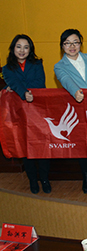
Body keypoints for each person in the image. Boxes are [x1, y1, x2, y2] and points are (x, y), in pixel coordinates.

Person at [54, 29, 87, 197]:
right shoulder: (59, 66)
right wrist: (76, 92)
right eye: (67, 43)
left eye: (75, 42)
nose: (72, 46)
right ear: (62, 46)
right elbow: (66, 81)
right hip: (76, 109)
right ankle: (86, 177)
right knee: (82, 146)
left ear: (80, 44)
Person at [2, 35, 50, 194]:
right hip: (19, 114)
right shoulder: (6, 69)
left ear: (30, 49)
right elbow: (13, 82)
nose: (22, 50)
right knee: (26, 149)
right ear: (13, 48)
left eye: (26, 47)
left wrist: (18, 89)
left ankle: (45, 179)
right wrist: (22, 91)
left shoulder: (37, 64)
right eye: (18, 46)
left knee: (42, 148)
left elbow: (40, 83)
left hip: (37, 111)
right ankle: (33, 181)